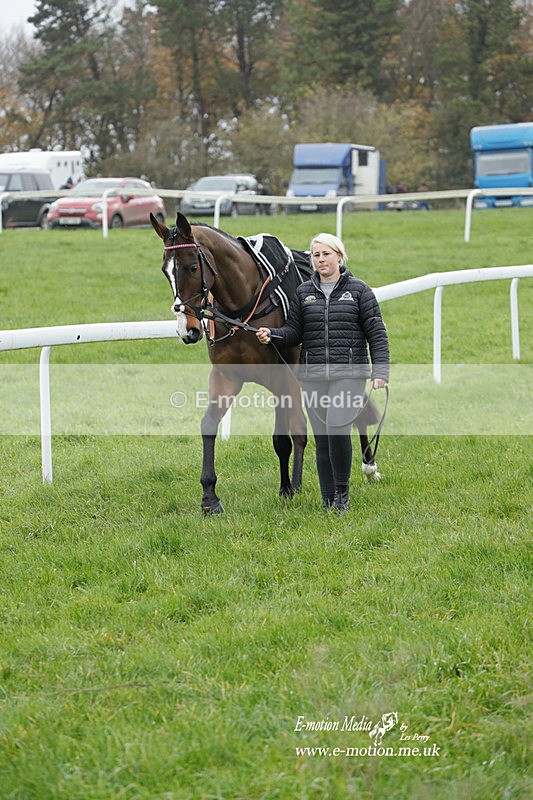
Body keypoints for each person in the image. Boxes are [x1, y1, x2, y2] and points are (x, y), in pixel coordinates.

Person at [256, 233, 389, 512]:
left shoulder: (360, 290)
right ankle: (328, 500)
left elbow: (377, 333)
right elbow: (294, 331)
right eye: (315, 255)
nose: (320, 260)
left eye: (325, 254)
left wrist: (381, 371)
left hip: (350, 373)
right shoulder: (303, 293)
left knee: (338, 427)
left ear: (339, 256)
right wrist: (273, 334)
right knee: (323, 437)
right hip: (314, 374)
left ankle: (342, 494)